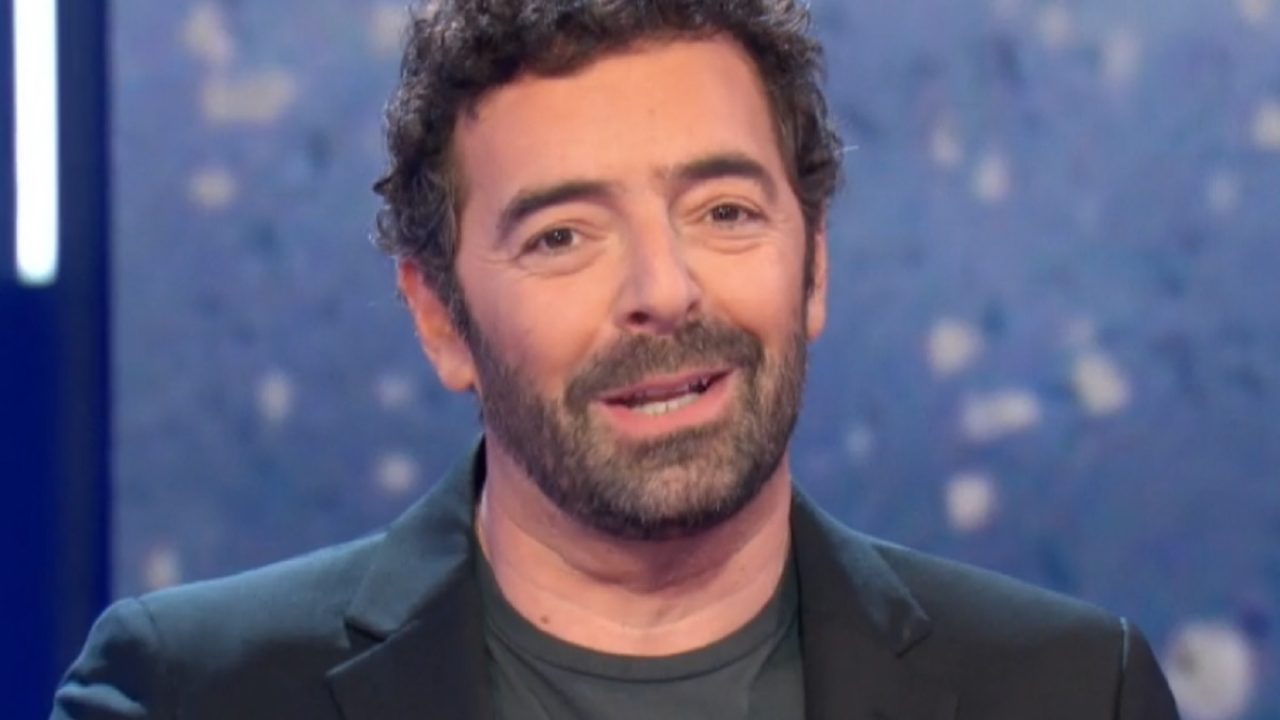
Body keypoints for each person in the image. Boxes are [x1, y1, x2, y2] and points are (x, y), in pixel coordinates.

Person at [52, 1, 1180, 718]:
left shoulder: (1072, 692)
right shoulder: (191, 692)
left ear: (814, 267)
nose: (663, 290)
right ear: (440, 319)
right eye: (562, 237)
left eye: (725, 211)